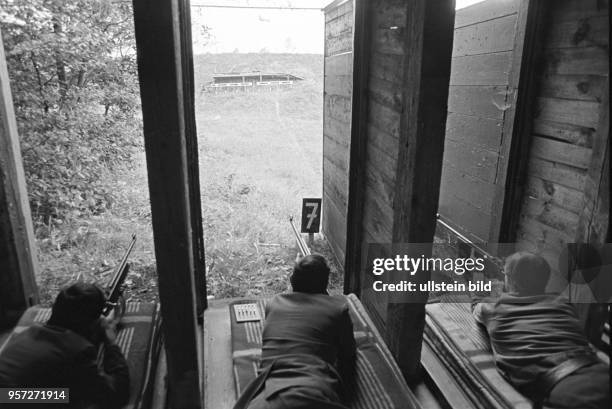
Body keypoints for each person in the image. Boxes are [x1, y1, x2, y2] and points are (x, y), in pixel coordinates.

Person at [472, 252, 609, 409]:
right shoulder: (563, 304)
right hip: (600, 372)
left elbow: (476, 305)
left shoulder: (494, 309)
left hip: (566, 388)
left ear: (510, 280)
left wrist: (481, 291)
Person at [233, 254, 356, 409]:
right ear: (326, 282)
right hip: (314, 386)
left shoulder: (274, 303)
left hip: (269, 391)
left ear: (292, 281)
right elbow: (348, 354)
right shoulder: (338, 308)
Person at [0, 282, 130, 409]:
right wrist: (110, 342)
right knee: (72, 396)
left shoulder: (27, 332)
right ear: (92, 324)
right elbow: (116, 393)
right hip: (11, 398)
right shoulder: (77, 351)